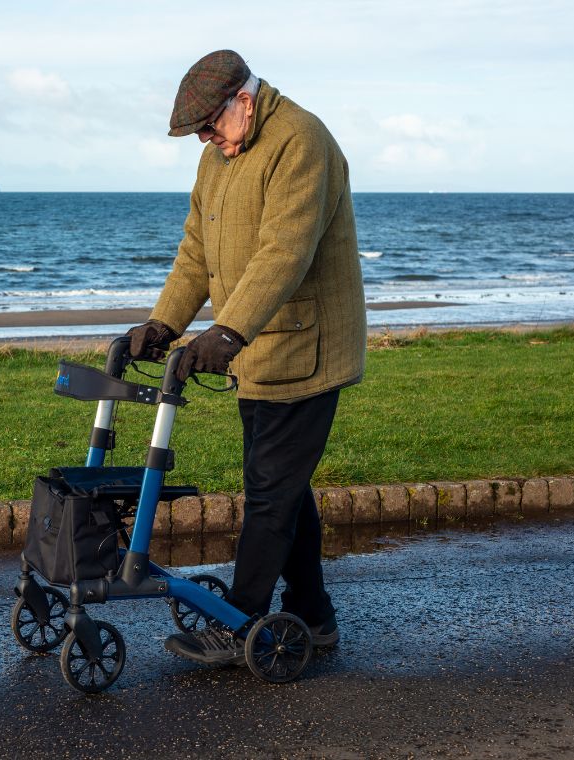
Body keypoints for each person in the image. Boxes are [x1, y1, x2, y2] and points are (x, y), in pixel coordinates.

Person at [126, 49, 367, 665]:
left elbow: (285, 252)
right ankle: (314, 618)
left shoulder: (300, 141)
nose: (207, 139)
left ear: (245, 100)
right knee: (283, 488)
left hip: (306, 349)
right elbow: (196, 251)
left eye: (210, 125)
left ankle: (242, 620)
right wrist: (165, 324)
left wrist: (227, 331)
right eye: (199, 133)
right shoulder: (218, 157)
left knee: (269, 490)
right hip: (259, 352)